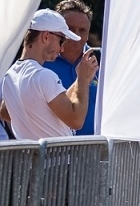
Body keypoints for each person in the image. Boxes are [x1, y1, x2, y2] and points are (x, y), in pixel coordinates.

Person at [0, 10, 97, 139]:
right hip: (57, 158)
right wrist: (84, 80)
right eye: (61, 40)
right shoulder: (44, 76)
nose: (61, 48)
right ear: (46, 36)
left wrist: (80, 78)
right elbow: (76, 121)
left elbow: (5, 112)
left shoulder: (9, 76)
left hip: (32, 157)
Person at [43, 0, 98, 135]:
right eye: (70, 29)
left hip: (97, 149)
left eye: (82, 30)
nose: (77, 35)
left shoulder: (102, 60)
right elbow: (6, 111)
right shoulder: (41, 62)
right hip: (54, 151)